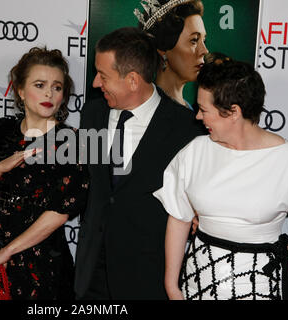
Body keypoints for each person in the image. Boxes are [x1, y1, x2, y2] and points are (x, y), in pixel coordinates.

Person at [74, 26, 206, 300]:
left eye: (103, 75)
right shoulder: (93, 114)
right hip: (90, 275)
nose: (96, 84)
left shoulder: (186, 129)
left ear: (132, 80)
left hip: (147, 277)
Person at [154, 58, 288, 300]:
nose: (198, 118)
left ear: (233, 112)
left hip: (260, 290)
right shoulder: (195, 151)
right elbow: (179, 217)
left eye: (204, 110)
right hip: (197, 285)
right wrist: (172, 287)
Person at [0, 47, 89, 300]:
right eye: (40, 85)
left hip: (40, 258)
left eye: (57, 87)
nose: (49, 93)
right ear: (20, 91)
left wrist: (9, 251)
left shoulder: (71, 141)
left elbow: (59, 214)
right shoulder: (0, 130)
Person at [135, 0, 208, 111]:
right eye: (194, 40)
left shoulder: (191, 110)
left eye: (204, 40)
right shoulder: (148, 111)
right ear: (162, 48)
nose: (205, 51)